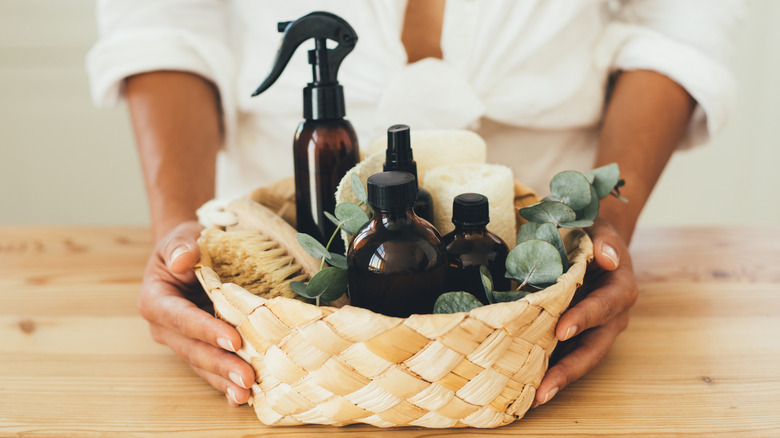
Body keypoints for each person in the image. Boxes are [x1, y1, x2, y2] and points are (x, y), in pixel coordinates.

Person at [87, 1, 744, 408]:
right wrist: (179, 226)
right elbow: (163, 17)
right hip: (280, 279)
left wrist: (604, 231)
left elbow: (680, 16)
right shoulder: (324, 146)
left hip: (534, 268)